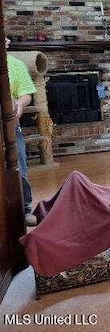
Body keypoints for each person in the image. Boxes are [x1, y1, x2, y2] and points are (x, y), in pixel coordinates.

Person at [5, 37, 38, 226]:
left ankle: (25, 210)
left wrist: (19, 103)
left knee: (18, 163)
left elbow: (25, 94)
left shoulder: (16, 65)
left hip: (10, 124)